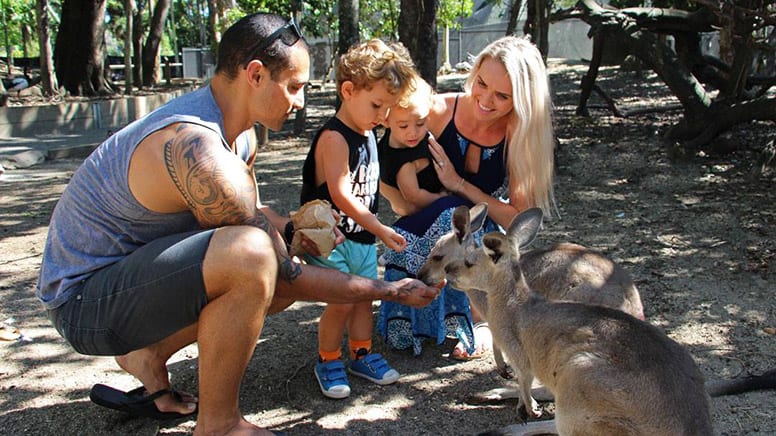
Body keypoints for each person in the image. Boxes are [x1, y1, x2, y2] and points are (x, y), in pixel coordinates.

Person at [35, 12, 438, 436]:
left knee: (265, 259)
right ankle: (220, 426)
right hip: (83, 304)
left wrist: (291, 230)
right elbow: (281, 274)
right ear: (256, 74)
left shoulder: (240, 132)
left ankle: (149, 354)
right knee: (253, 261)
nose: (300, 102)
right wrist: (387, 289)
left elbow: (257, 216)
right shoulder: (198, 149)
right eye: (295, 87)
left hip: (128, 282)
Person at [377, 36, 556, 359]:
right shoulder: (436, 111)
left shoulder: (519, 135)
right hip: (422, 225)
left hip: (473, 233)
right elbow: (384, 165)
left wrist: (459, 184)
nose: (485, 99)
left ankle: (479, 320)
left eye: (502, 96)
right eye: (481, 83)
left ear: (522, 101)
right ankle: (425, 316)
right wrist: (407, 201)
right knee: (450, 213)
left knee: (467, 222)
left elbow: (518, 221)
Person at [299, 39, 415, 399]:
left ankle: (361, 353)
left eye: (388, 107)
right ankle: (328, 358)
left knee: (365, 297)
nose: (383, 115)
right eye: (377, 105)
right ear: (348, 90)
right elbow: (340, 194)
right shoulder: (335, 137)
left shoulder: (368, 133)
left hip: (361, 240)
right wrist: (380, 228)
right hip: (331, 239)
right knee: (343, 300)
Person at [378, 76, 447, 215]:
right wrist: (441, 199)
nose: (413, 133)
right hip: (427, 210)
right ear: (385, 121)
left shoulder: (402, 138)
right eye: (403, 126)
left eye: (420, 123)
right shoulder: (402, 161)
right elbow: (413, 196)